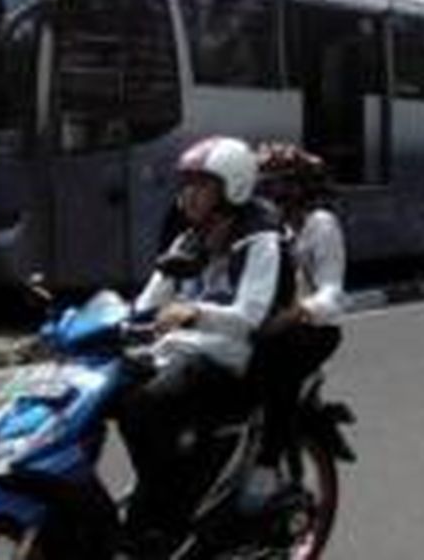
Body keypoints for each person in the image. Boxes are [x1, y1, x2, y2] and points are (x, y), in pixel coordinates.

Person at [117, 136, 280, 554]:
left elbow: (250, 314)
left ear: (233, 188)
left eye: (200, 186)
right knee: (111, 391)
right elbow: (147, 302)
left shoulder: (260, 238)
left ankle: (168, 514)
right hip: (184, 349)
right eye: (185, 184)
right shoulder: (190, 237)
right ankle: (154, 491)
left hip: (231, 356)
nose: (187, 195)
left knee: (147, 406)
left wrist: (193, 312)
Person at [250, 142, 348, 484]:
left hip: (313, 329)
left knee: (275, 369)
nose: (269, 193)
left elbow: (332, 294)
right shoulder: (264, 228)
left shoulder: (320, 225)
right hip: (266, 322)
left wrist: (297, 312)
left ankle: (266, 464)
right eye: (263, 184)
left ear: (299, 187)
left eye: (278, 185)